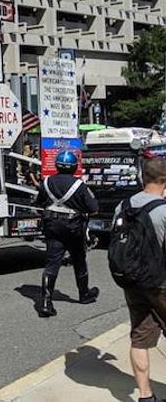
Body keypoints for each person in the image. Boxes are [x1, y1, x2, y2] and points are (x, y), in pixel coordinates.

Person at [113, 158, 166, 402]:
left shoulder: (123, 205)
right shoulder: (163, 210)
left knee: (140, 337)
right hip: (160, 283)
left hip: (132, 280)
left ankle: (145, 396)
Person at [34, 150, 99, 318]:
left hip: (53, 227)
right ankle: (84, 294)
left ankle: (46, 302)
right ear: (74, 166)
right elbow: (93, 208)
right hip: (74, 228)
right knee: (79, 260)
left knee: (52, 263)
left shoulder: (47, 182)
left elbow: (39, 202)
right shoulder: (79, 185)